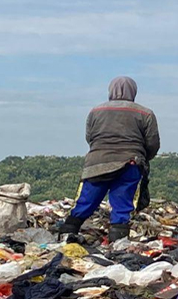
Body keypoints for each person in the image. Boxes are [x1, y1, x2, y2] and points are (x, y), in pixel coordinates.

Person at [54, 77, 160, 242]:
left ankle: (67, 232)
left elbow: (90, 137)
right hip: (130, 163)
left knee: (86, 201)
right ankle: (117, 242)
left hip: (97, 163)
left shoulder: (96, 111)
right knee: (122, 205)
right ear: (133, 91)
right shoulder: (145, 113)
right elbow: (152, 143)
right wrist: (144, 158)